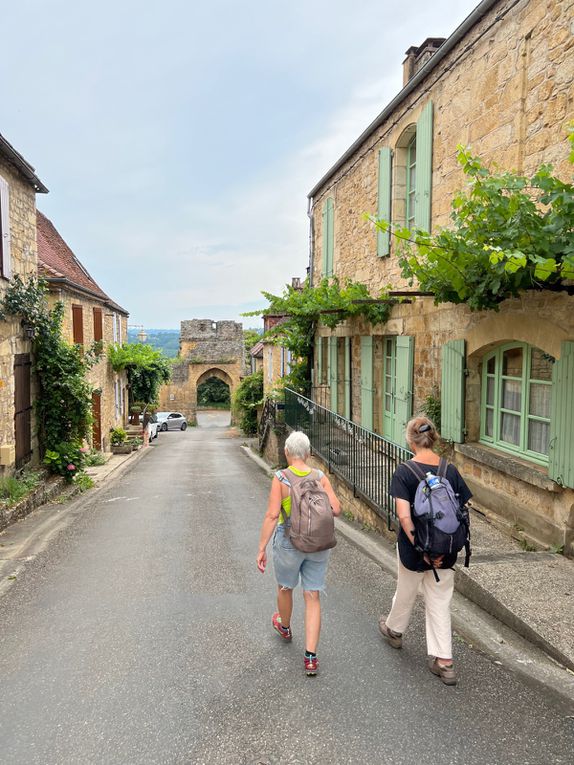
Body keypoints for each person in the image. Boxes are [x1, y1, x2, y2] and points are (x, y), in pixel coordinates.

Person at [378, 416, 472, 686]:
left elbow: (405, 517)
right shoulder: (450, 470)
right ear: (435, 438)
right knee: (440, 600)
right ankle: (445, 662)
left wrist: (420, 547)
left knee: (406, 591)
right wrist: (446, 544)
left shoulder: (405, 472)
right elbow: (463, 510)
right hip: (447, 548)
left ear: (410, 440)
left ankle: (394, 630)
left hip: (414, 549)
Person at [256, 430, 341, 676]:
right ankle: (311, 657)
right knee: (312, 595)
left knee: (285, 587)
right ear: (308, 453)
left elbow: (273, 515)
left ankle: (284, 626)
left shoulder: (281, 478)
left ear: (286, 452)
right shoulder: (320, 476)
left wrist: (261, 547)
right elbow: (336, 509)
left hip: (289, 540)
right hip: (318, 542)